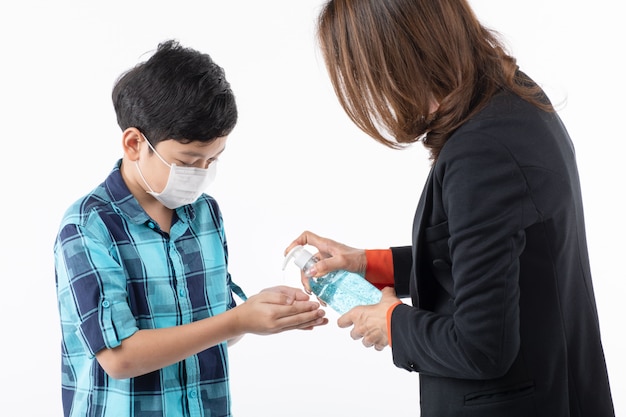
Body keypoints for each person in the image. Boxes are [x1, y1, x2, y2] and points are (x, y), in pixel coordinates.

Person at [285, 1, 615, 416]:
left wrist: (391, 323)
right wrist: (370, 265)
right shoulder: (511, 99)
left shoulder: (481, 151)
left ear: (397, 58)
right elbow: (490, 255)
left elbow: (481, 348)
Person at [54, 39, 327, 417]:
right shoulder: (89, 226)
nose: (200, 174)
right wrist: (237, 319)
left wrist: (259, 314)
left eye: (213, 159)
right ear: (135, 143)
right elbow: (120, 358)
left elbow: (214, 330)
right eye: (188, 160)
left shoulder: (205, 215)